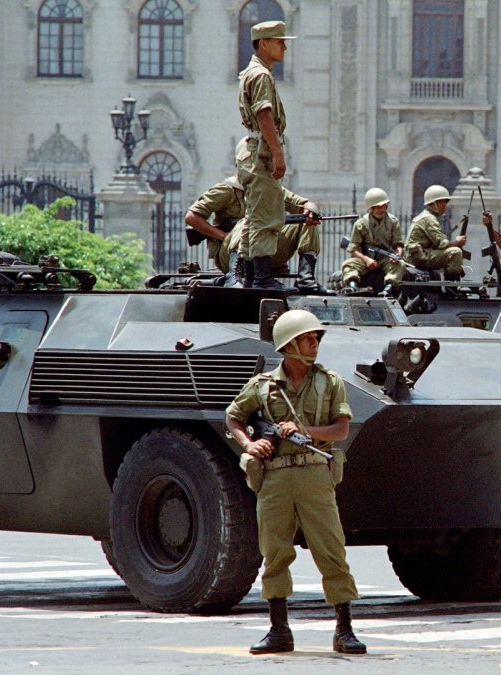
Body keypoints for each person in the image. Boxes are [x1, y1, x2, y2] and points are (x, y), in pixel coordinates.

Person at [225, 310, 366, 656]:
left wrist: (305, 432)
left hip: (315, 473)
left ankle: (344, 629)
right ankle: (278, 630)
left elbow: (341, 429)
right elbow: (233, 416)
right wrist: (249, 444)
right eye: (307, 338)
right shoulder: (262, 386)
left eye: (316, 338)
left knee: (331, 551)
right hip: (274, 476)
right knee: (274, 552)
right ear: (288, 345)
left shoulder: (329, 381)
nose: (314, 343)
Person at [185, 167, 321, 288]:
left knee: (306, 219)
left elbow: (305, 204)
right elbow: (191, 217)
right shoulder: (228, 189)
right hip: (230, 255)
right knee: (250, 220)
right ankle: (233, 277)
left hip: (264, 253)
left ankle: (305, 279)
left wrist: (311, 211)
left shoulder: (270, 189)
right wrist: (223, 236)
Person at [237, 20, 297, 290]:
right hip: (262, 153)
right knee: (267, 215)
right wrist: (278, 153)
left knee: (254, 215)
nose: (284, 46)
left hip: (253, 150)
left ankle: (250, 275)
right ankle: (261, 278)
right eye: (279, 41)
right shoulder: (261, 75)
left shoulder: (251, 72)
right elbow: (264, 114)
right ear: (263, 44)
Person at [342, 188, 405, 295]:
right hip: (367, 258)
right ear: (372, 208)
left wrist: (398, 255)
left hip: (385, 258)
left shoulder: (393, 221)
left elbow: (397, 243)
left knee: (400, 265)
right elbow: (353, 249)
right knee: (348, 264)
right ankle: (352, 286)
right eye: (380, 206)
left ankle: (389, 288)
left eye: (385, 205)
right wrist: (366, 259)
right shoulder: (361, 224)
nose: (383, 209)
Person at [406, 185, 466, 280]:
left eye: (446, 202)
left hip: (419, 255)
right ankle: (452, 288)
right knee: (455, 252)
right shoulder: (429, 218)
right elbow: (441, 243)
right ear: (434, 203)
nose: (445, 205)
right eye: (442, 202)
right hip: (420, 257)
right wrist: (456, 243)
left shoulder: (428, 216)